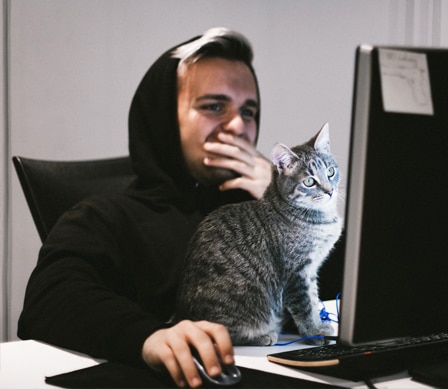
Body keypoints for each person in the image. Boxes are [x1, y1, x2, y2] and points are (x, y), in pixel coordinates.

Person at [18, 27, 272, 388]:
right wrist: (148, 336)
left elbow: (343, 301)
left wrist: (289, 204)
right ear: (165, 119)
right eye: (214, 107)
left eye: (249, 111)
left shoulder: (262, 213)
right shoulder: (104, 217)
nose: (238, 125)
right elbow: (50, 299)